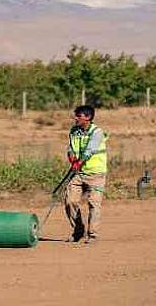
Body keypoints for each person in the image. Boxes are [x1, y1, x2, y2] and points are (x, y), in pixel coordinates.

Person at [64, 105, 108, 244]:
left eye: (78, 116)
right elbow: (71, 148)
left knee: (93, 204)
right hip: (79, 173)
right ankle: (78, 232)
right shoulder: (74, 131)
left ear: (88, 117)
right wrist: (72, 159)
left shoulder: (97, 132)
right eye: (75, 115)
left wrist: (79, 162)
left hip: (96, 174)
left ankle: (92, 234)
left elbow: (90, 150)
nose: (75, 118)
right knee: (70, 201)